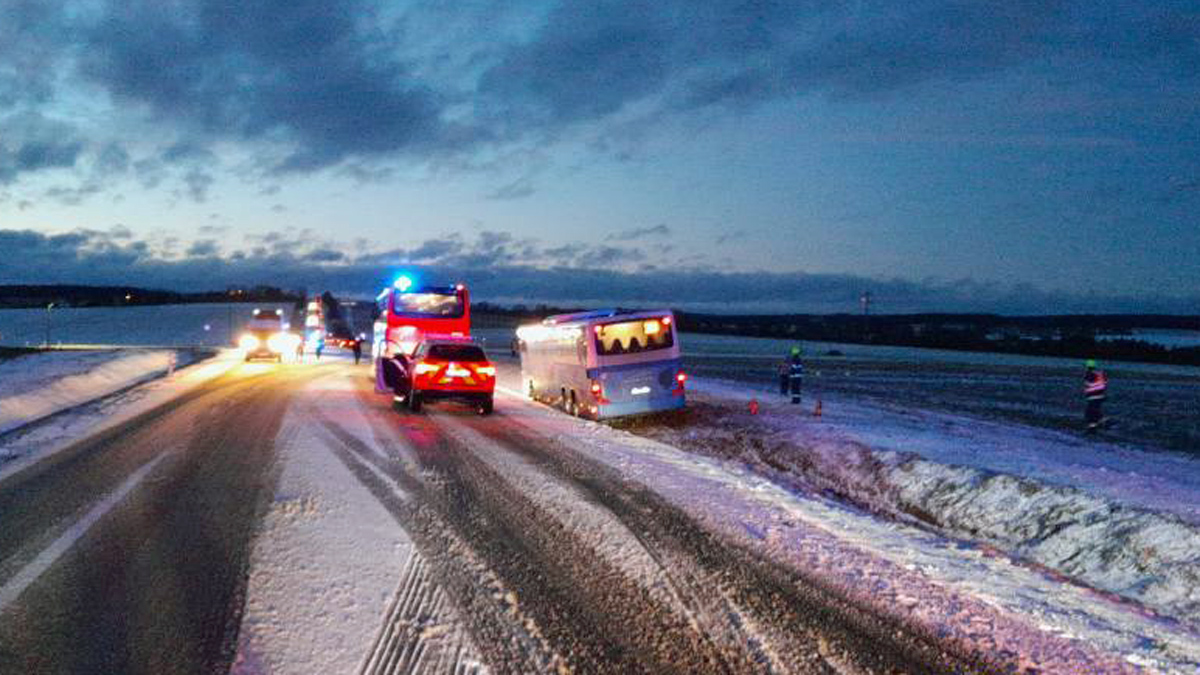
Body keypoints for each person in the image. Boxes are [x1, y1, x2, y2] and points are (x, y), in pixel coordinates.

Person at [1083, 358, 1108, 432]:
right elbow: (1105, 382)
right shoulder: (1100, 373)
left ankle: (1092, 427)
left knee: (1090, 412)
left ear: (1087, 366)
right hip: (1101, 395)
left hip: (1093, 396)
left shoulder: (1089, 374)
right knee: (1096, 410)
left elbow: (1088, 384)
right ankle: (1103, 422)